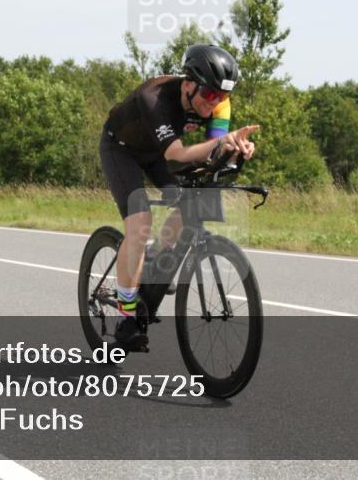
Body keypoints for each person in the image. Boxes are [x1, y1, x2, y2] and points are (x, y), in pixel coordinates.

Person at [100, 44, 259, 350]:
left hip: (159, 153)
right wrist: (223, 143)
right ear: (188, 84)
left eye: (222, 97)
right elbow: (176, 155)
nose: (215, 104)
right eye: (210, 95)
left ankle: (158, 260)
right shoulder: (154, 99)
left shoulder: (218, 105)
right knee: (140, 222)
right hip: (122, 151)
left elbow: (214, 154)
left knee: (194, 202)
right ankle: (126, 315)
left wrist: (237, 150)